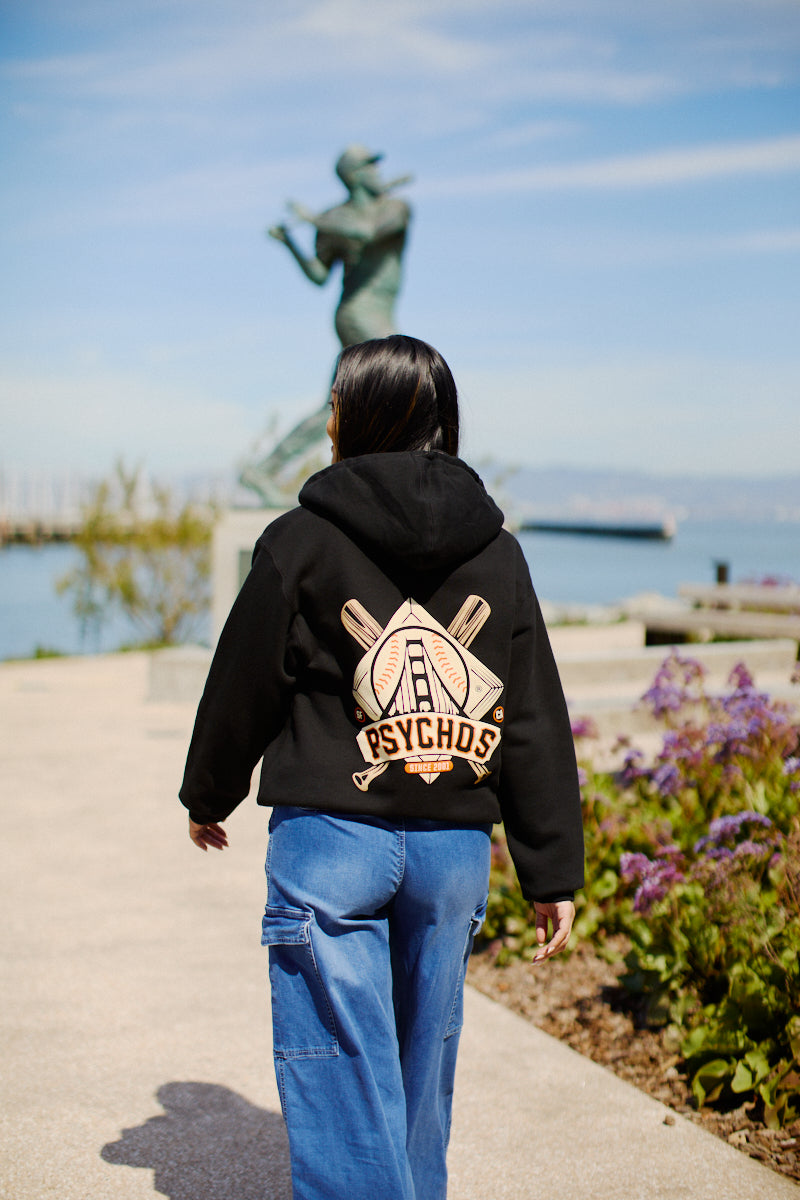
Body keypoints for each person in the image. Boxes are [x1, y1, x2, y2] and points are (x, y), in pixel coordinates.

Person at [180, 335, 584, 1200]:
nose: (326, 419)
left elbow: (245, 680)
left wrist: (208, 791)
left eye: (334, 402)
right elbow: (532, 715)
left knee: (338, 1069)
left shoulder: (300, 541)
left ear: (360, 416)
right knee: (419, 1074)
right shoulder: (499, 554)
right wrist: (551, 868)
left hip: (332, 838)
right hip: (451, 853)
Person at [239, 147, 413, 504]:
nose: (378, 173)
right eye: (370, 167)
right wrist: (291, 242)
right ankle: (390, 484)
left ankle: (264, 471)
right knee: (397, 388)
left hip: (379, 315)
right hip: (358, 315)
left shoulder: (394, 208)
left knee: (338, 405)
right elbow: (319, 275)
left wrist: (315, 221)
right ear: (354, 176)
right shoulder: (334, 218)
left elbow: (367, 232)